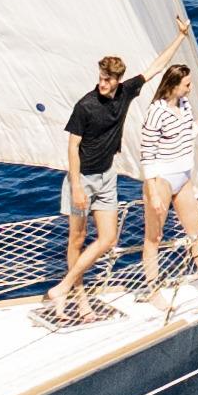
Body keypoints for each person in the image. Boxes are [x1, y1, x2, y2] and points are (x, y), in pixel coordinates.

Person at [51, 54, 134, 307]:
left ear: (119, 81)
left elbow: (153, 70)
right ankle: (79, 296)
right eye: (100, 78)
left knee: (108, 238)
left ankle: (63, 287)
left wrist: (181, 36)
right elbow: (72, 148)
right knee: (77, 238)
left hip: (107, 177)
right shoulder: (85, 106)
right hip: (82, 180)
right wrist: (76, 187)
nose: (102, 84)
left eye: (108, 80)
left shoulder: (125, 93)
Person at [124, 60, 198, 282]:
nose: (190, 89)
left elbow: (188, 135)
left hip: (183, 176)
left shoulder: (184, 104)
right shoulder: (156, 112)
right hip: (161, 180)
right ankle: (153, 289)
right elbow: (147, 153)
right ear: (173, 85)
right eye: (187, 85)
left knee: (197, 232)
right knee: (154, 237)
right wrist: (152, 192)